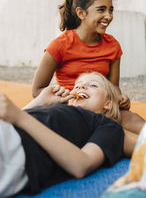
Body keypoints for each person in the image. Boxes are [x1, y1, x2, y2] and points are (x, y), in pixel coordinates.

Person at [31, 0, 144, 134]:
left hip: (101, 109)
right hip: (70, 109)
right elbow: (37, 90)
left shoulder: (113, 45)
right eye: (101, 10)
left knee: (136, 122)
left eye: (111, 10)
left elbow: (113, 86)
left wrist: (120, 99)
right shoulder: (59, 46)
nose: (108, 16)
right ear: (81, 13)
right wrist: (65, 96)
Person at [0, 72, 137, 196]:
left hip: (15, 152)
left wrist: (20, 116)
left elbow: (81, 165)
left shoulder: (105, 125)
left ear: (107, 103)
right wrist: (39, 102)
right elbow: (11, 117)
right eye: (77, 86)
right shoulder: (54, 107)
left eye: (93, 85)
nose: (80, 88)